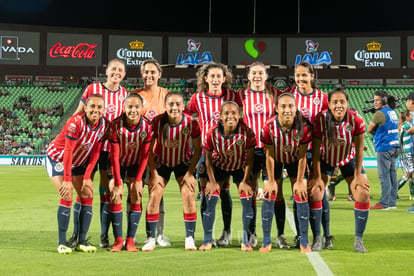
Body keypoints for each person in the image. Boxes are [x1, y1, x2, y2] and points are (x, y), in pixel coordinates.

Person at [72, 58, 128, 249]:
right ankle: (77, 236)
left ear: (124, 74)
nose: (116, 72)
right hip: (88, 147)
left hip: (108, 151)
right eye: (113, 69)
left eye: (120, 70)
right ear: (107, 71)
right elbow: (79, 113)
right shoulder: (93, 89)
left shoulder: (124, 94)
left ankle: (104, 237)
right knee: (84, 190)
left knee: (106, 192)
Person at [186, 62, 242, 247]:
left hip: (228, 150)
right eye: (213, 76)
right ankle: (207, 234)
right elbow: (186, 116)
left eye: (219, 76)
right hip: (205, 151)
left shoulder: (233, 96)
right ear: (206, 78)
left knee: (224, 190)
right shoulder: (198, 98)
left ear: (224, 79)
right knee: (207, 191)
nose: (216, 80)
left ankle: (226, 232)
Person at [308, 87, 370, 253]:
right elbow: (315, 151)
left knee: (363, 192)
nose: (339, 105)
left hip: (348, 158)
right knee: (315, 191)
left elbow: (358, 149)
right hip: (325, 159)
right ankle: (317, 238)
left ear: (347, 103)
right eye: (335, 102)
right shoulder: (321, 119)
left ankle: (358, 240)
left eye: (342, 102)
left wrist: (357, 176)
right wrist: (317, 176)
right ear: (329, 105)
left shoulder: (356, 120)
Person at [46, 94, 109, 254]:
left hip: (79, 162)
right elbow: (68, 151)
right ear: (85, 108)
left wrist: (87, 176)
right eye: (92, 107)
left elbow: (96, 151)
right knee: (67, 194)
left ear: (104, 109)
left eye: (99, 107)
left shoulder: (104, 125)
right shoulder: (75, 122)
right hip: (58, 159)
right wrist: (67, 180)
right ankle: (62, 242)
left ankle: (81, 241)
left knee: (87, 194)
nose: (95, 110)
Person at [142, 92, 202, 251]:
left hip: (183, 162)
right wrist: (154, 173)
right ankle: (150, 239)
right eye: (171, 104)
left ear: (183, 106)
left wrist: (190, 173)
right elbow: (148, 149)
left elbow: (198, 149)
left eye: (177, 104)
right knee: (154, 196)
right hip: (162, 162)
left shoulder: (191, 122)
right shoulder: (157, 122)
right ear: (165, 106)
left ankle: (189, 238)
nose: (174, 107)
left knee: (188, 195)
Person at [199, 101, 256, 251]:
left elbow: (250, 159)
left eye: (234, 113)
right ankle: (207, 240)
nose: (230, 116)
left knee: (247, 195)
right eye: (226, 113)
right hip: (220, 166)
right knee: (210, 196)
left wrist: (244, 180)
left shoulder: (247, 132)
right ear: (220, 116)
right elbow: (208, 160)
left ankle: (246, 240)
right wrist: (211, 181)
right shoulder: (212, 133)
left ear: (239, 115)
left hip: (239, 166)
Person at [260, 92, 312, 253]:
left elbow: (303, 156)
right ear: (276, 109)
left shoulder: (304, 127)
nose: (287, 110)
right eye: (283, 106)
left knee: (301, 192)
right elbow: (268, 155)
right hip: (274, 159)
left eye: (290, 106)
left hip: (296, 160)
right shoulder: (268, 126)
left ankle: (303, 239)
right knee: (271, 193)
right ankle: (270, 239)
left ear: (296, 109)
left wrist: (299, 181)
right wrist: (270, 180)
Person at [289, 61, 331, 250]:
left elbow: (328, 126)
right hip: (296, 153)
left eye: (304, 75)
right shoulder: (290, 96)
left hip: (319, 153)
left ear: (312, 76)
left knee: (318, 194)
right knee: (298, 193)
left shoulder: (322, 98)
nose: (301, 79)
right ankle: (300, 235)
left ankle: (324, 236)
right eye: (298, 75)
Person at [237, 61, 280, 247]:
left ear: (266, 76)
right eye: (253, 73)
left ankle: (280, 235)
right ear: (248, 76)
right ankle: (251, 234)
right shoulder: (241, 95)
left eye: (260, 73)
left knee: (276, 192)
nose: (257, 76)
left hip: (271, 148)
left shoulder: (274, 94)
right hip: (250, 149)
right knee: (250, 192)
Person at [130, 59, 171, 247]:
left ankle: (159, 234)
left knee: (157, 194)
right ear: (141, 74)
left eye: (153, 72)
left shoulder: (167, 95)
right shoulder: (135, 96)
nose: (149, 75)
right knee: (135, 194)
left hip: (159, 154)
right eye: (146, 72)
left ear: (159, 74)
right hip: (138, 154)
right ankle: (133, 234)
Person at [107, 93, 153, 252]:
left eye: (136, 107)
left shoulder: (147, 126)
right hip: (117, 163)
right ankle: (118, 241)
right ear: (124, 107)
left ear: (142, 108)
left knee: (136, 193)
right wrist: (118, 182)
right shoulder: (115, 126)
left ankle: (130, 241)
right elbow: (114, 156)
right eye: (130, 107)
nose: (133, 110)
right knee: (115, 193)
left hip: (136, 164)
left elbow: (145, 155)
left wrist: (139, 179)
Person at [367, 90, 399, 210]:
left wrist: (377, 134)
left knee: (384, 176)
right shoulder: (392, 112)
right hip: (394, 146)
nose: (375, 102)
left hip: (384, 147)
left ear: (384, 100)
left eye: (377, 100)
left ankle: (384, 203)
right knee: (392, 175)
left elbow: (369, 129)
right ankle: (391, 202)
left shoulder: (379, 113)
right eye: (374, 100)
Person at [397, 110, 414, 208]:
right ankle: (393, 191)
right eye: (410, 115)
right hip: (407, 152)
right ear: (407, 117)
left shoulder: (403, 124)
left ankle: (412, 194)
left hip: (407, 152)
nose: (411, 117)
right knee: (409, 175)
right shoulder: (407, 124)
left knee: (410, 175)